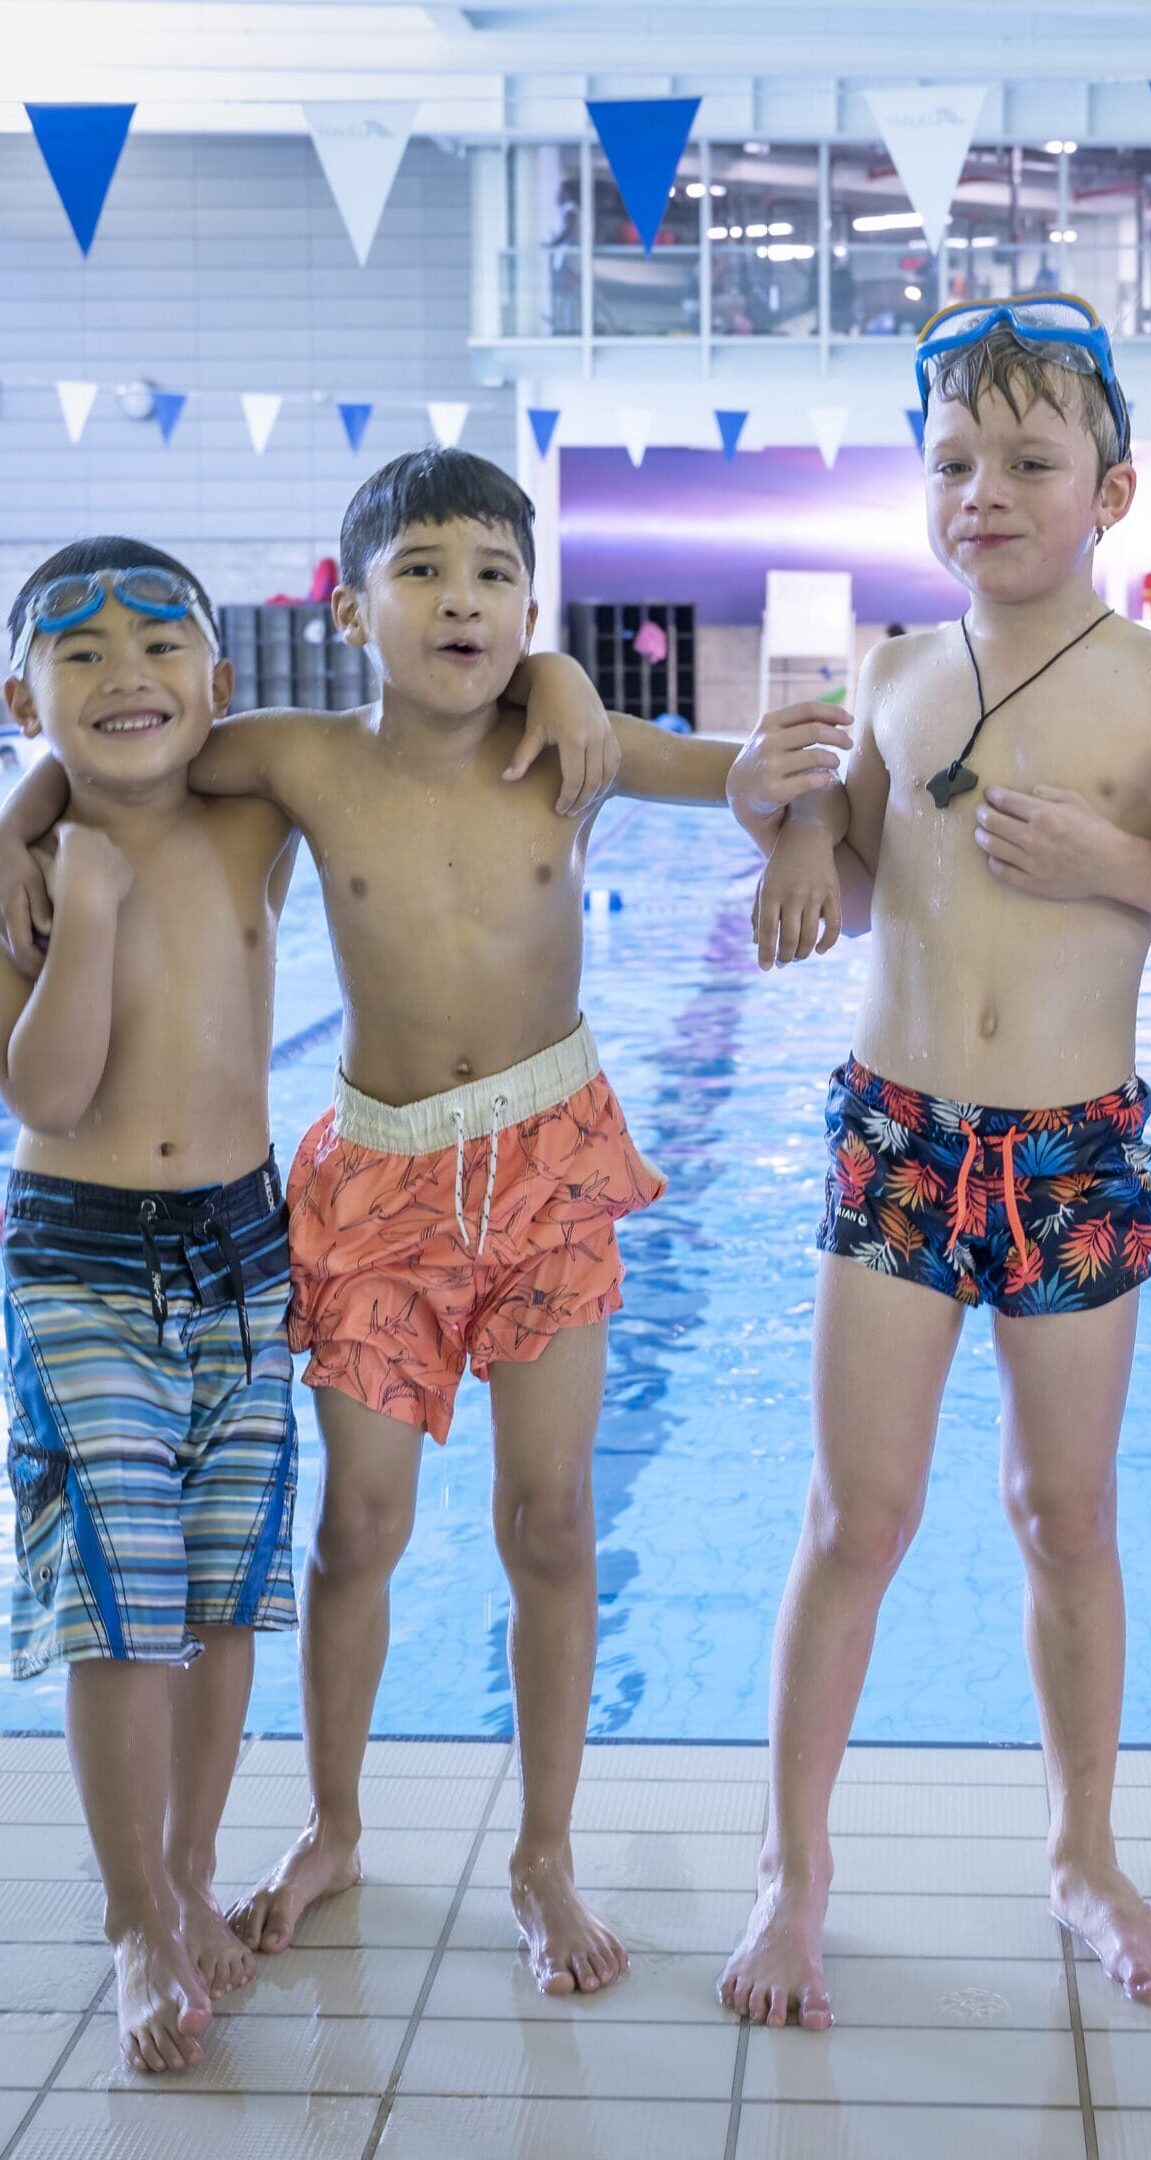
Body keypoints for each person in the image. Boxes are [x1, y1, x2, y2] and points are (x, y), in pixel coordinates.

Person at [0, 450, 753, 2000]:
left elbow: (742, 778)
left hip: (548, 1163)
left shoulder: (571, 748)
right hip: (380, 1180)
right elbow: (107, 752)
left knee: (553, 1523)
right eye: (421, 570)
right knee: (356, 1532)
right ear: (353, 609)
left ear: (534, 604)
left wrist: (797, 827)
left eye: (494, 575)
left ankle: (544, 1849)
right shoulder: (291, 757)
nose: (459, 599)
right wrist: (11, 824)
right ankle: (335, 1822)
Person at [717, 296, 1151, 2027]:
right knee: (860, 1515)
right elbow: (828, 870)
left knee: (1067, 1518)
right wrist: (784, 841)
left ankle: (1083, 1851)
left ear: (1112, 489)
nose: (984, 490)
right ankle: (794, 1873)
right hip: (898, 1139)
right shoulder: (896, 672)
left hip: (1072, 1154)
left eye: (1029, 461)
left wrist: (1138, 859)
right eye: (954, 462)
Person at [0, 543, 302, 2074]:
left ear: (220, 682)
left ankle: (191, 1867)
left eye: (159, 643)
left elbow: (406, 746)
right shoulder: (31, 881)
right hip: (81, 1258)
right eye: (80, 653)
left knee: (221, 1597)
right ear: (20, 696)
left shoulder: (255, 822)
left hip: (247, 1254)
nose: (126, 675)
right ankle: (134, 1916)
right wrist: (84, 901)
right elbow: (42, 1091)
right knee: (118, 1609)